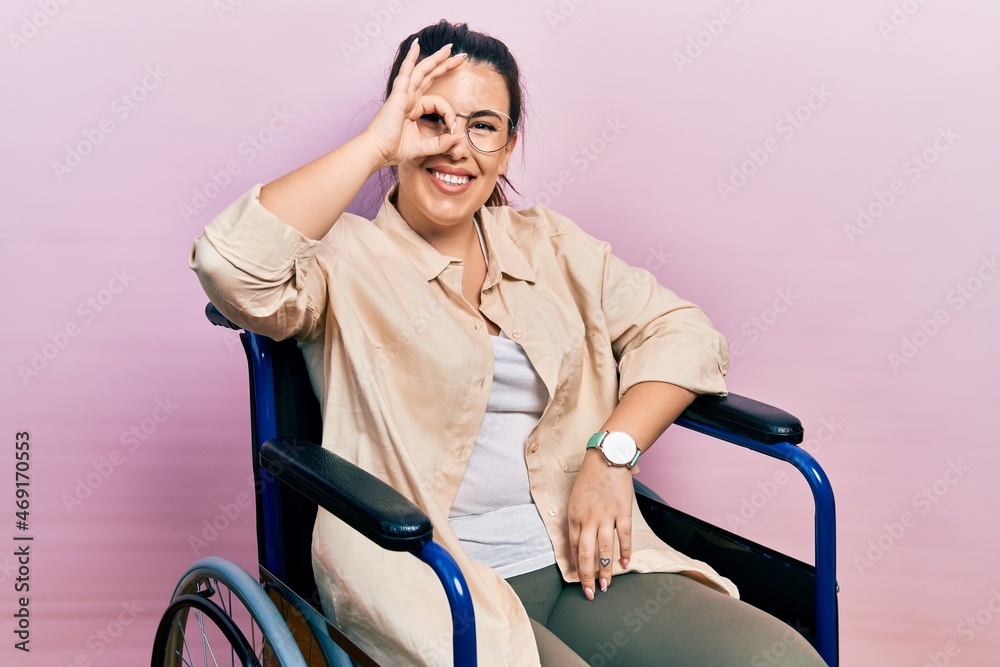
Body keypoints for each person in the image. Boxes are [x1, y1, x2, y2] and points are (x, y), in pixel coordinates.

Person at [190, 19, 825, 666]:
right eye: (431, 119)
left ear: (509, 145)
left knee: (781, 659)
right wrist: (376, 144)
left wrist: (612, 455)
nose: (456, 147)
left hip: (582, 556)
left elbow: (683, 330)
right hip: (432, 580)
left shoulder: (547, 245)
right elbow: (229, 265)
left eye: (483, 126)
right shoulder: (343, 259)